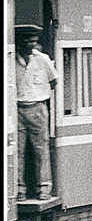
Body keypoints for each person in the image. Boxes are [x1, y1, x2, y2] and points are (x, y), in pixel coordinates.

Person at [15, 26, 58, 200]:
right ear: (20, 42)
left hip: (38, 107)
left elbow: (54, 81)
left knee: (41, 150)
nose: (30, 44)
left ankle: (44, 189)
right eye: (27, 41)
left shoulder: (43, 60)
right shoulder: (11, 59)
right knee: (17, 151)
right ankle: (18, 189)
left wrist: (42, 95)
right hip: (16, 108)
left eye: (33, 41)